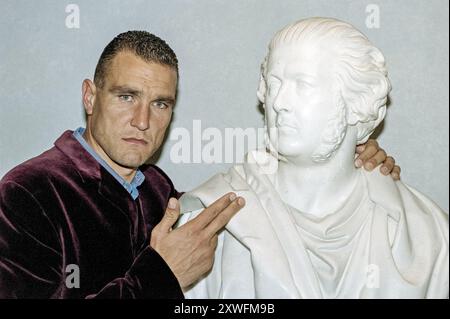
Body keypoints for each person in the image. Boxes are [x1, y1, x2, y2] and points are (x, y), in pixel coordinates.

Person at [0, 30, 398, 299]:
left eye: (160, 104)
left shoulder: (157, 189)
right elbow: (164, 275)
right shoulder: (27, 193)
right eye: (126, 96)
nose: (143, 121)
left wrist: (356, 158)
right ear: (90, 96)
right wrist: (159, 278)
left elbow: (248, 196)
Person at [179, 18, 448, 299]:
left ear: (357, 103)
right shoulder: (209, 223)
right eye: (273, 84)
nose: (278, 102)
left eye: (303, 85)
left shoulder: (428, 236)